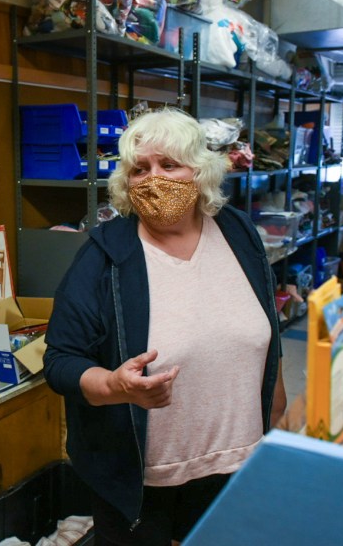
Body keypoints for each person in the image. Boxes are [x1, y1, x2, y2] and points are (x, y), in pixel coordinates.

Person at [43, 106, 287, 546]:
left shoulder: (238, 233)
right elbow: (60, 361)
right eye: (140, 169)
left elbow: (266, 330)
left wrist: (276, 416)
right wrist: (115, 386)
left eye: (169, 164)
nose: (153, 178)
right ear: (125, 183)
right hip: (144, 481)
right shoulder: (104, 256)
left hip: (238, 464)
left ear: (201, 171)